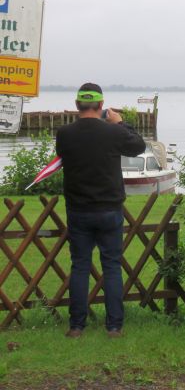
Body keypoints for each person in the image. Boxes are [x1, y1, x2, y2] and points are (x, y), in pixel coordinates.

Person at [56, 83, 146, 338]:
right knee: (112, 266)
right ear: (101, 105)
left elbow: (62, 155)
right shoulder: (113, 132)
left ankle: (76, 326)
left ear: (77, 105)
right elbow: (138, 146)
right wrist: (121, 123)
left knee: (80, 265)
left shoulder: (65, 133)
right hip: (109, 208)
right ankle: (114, 326)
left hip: (78, 209)